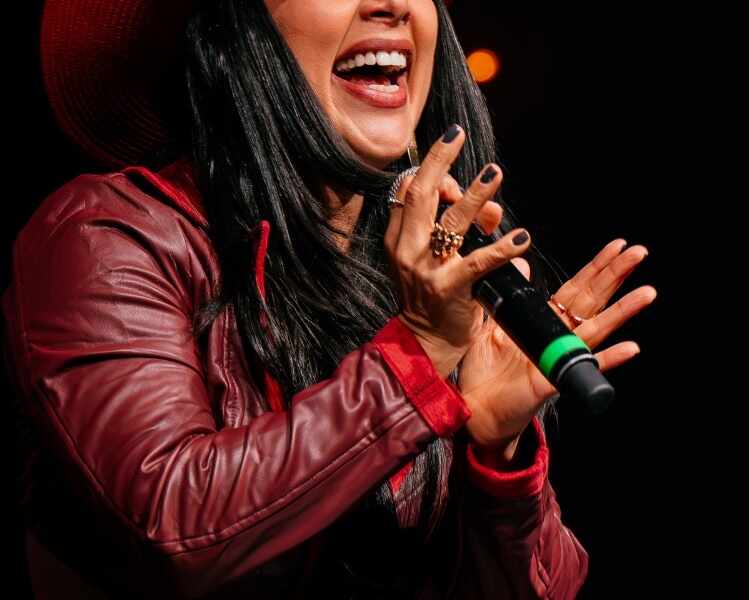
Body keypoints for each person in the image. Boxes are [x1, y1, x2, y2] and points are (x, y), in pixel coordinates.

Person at [2, 0, 657, 598]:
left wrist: (497, 459)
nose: (391, 5)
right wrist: (416, 359)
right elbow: (175, 528)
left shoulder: (426, 274)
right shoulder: (107, 235)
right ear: (234, 32)